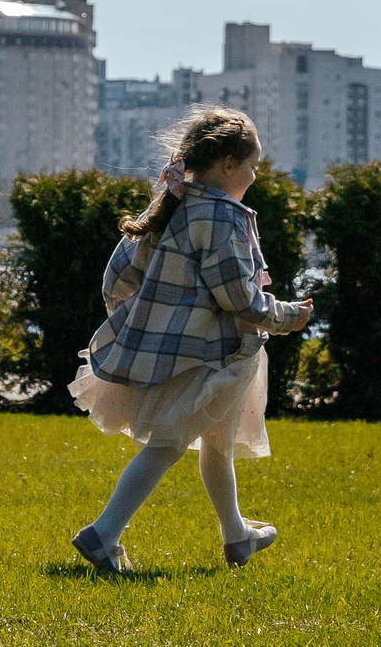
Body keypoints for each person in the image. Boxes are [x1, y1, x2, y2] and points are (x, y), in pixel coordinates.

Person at [68, 106, 313, 573]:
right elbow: (238, 297)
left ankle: (237, 537)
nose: (255, 176)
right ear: (227, 164)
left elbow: (117, 277)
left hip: (178, 353)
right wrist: (288, 316)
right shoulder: (220, 217)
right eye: (252, 166)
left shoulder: (174, 204)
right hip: (209, 356)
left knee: (217, 443)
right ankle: (103, 533)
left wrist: (146, 319)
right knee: (169, 443)